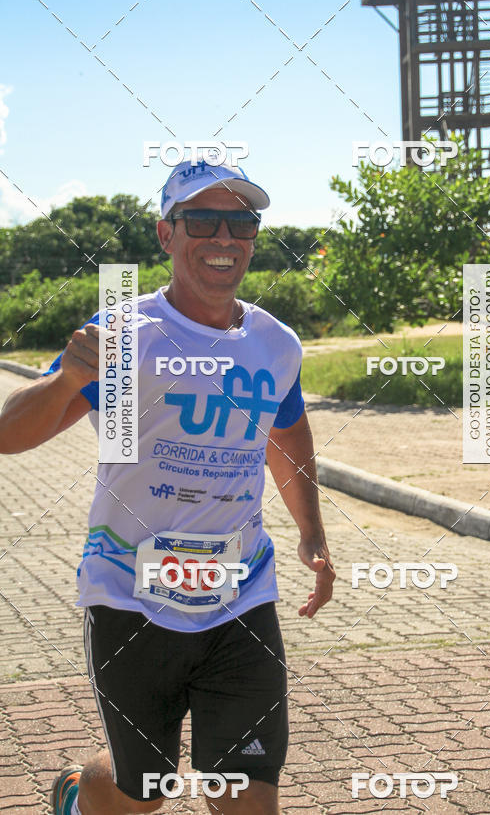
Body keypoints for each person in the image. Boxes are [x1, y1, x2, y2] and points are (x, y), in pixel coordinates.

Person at [0, 159, 336, 815]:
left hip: (242, 598)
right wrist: (65, 381)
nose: (224, 238)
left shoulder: (276, 343)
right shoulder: (124, 338)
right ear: (166, 233)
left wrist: (313, 535)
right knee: (142, 792)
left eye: (240, 223)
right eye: (202, 220)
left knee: (245, 796)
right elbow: (9, 434)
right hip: (131, 596)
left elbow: (287, 435)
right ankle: (78, 790)